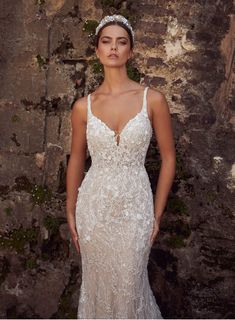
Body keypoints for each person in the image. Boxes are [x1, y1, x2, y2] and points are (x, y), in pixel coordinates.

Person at [66, 14, 176, 319]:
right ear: (97, 50)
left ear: (131, 51)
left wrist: (156, 213)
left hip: (135, 208)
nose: (113, 47)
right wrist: (71, 210)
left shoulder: (152, 100)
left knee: (130, 284)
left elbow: (168, 158)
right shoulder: (82, 106)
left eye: (121, 42)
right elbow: (76, 159)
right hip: (94, 209)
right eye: (106, 41)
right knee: (98, 287)